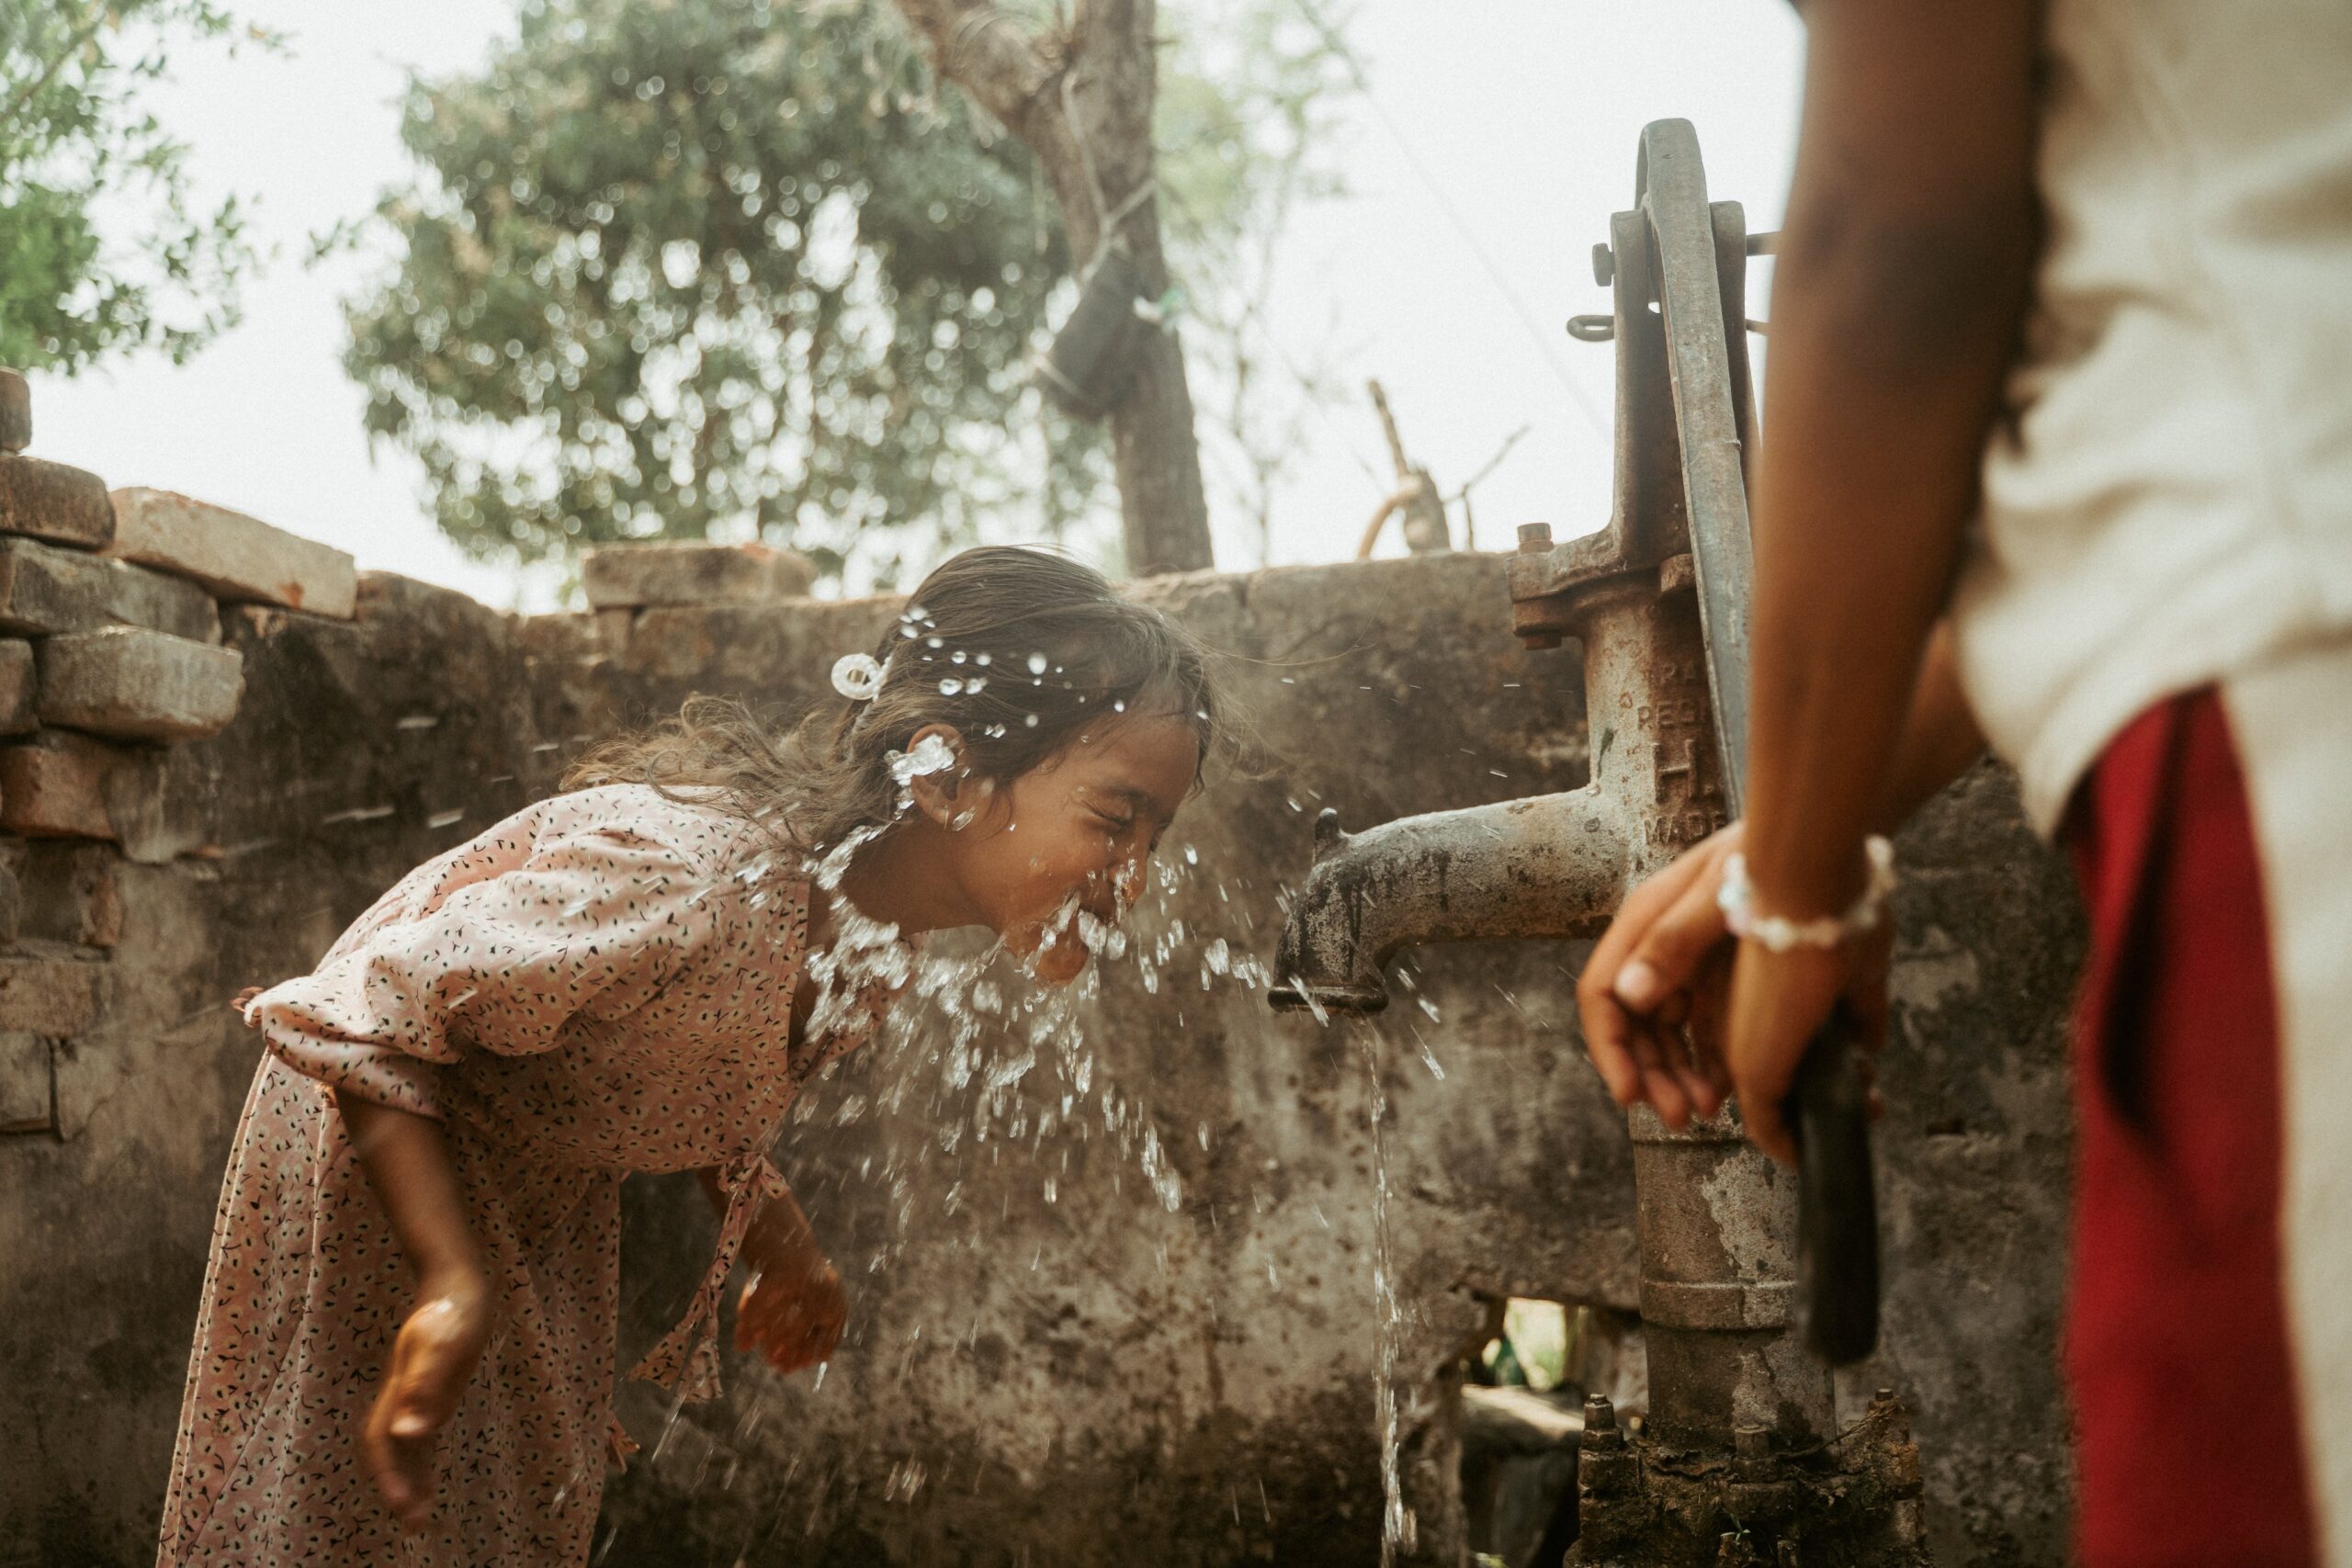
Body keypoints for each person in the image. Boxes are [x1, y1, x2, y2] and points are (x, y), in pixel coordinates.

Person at [1575, 2, 2352, 1563]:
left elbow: (1898, 236)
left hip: (2293, 707)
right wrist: (1798, 827)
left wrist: (1797, 898)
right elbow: (2084, 528)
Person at [158, 547, 1221, 1565]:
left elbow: (695, 1076)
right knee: (335, 1488)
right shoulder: (694, 888)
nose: (1131, 879)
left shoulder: (871, 939)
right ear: (944, 776)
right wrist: (448, 1279)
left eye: (1154, 837)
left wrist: (783, 1244)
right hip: (382, 1140)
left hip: (520, 1175)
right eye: (1114, 819)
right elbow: (363, 1014)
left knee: (500, 1493)